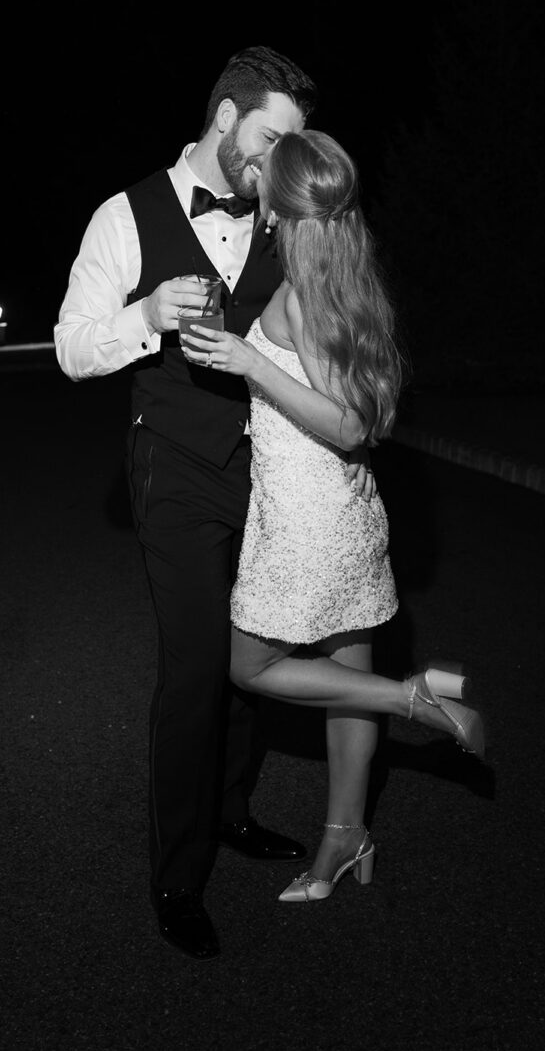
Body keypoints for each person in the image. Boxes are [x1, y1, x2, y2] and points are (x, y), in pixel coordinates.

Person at [54, 47, 376, 960]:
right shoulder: (124, 216)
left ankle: (233, 810)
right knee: (195, 670)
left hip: (276, 473)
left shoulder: (282, 209)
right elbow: (72, 348)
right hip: (177, 471)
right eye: (271, 136)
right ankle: (177, 872)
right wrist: (146, 315)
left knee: (254, 656)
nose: (279, 158)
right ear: (226, 118)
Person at [180, 129, 485, 903]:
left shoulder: (303, 293)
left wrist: (249, 361)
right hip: (351, 514)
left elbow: (351, 426)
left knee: (250, 666)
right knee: (345, 682)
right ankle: (344, 842)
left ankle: (416, 699)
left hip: (305, 524)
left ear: (279, 214)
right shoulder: (348, 278)